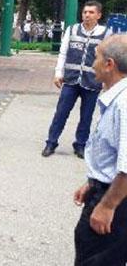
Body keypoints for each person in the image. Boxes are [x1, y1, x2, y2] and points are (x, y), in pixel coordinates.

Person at [73, 34, 127, 265]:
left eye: (96, 57)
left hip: (116, 200)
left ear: (109, 64)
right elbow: (113, 152)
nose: (92, 63)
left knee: (98, 257)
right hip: (105, 189)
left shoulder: (123, 105)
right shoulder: (114, 98)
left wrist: (107, 205)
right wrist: (93, 181)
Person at [43, 1, 112, 159]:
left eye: (91, 12)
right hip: (71, 80)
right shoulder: (72, 29)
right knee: (61, 113)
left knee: (86, 117)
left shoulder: (106, 33)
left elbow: (109, 58)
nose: (87, 15)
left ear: (99, 15)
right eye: (85, 12)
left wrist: (106, 80)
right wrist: (58, 73)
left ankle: (80, 145)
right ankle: (51, 142)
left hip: (92, 82)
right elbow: (63, 52)